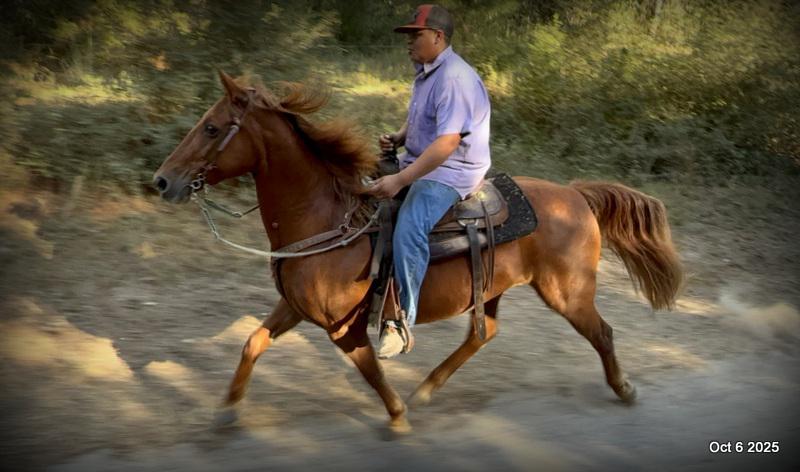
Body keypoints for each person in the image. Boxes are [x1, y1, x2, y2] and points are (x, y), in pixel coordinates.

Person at [367, 4, 492, 358]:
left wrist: (401, 179)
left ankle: (401, 321)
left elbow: (448, 142)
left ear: (437, 37)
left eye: (415, 35)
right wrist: (399, 137)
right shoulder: (426, 72)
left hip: (454, 169)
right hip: (425, 158)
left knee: (410, 223)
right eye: (408, 35)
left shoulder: (454, 77)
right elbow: (424, 119)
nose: (408, 42)